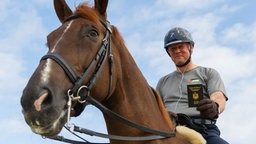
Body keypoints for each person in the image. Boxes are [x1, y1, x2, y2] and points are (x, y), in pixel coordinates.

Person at [156, 27, 229, 144]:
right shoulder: (163, 81)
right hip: (169, 130)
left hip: (202, 129)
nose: (177, 51)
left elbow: (218, 95)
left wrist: (215, 106)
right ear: (168, 52)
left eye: (181, 47)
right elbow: (156, 108)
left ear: (191, 47)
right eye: (173, 48)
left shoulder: (208, 73)